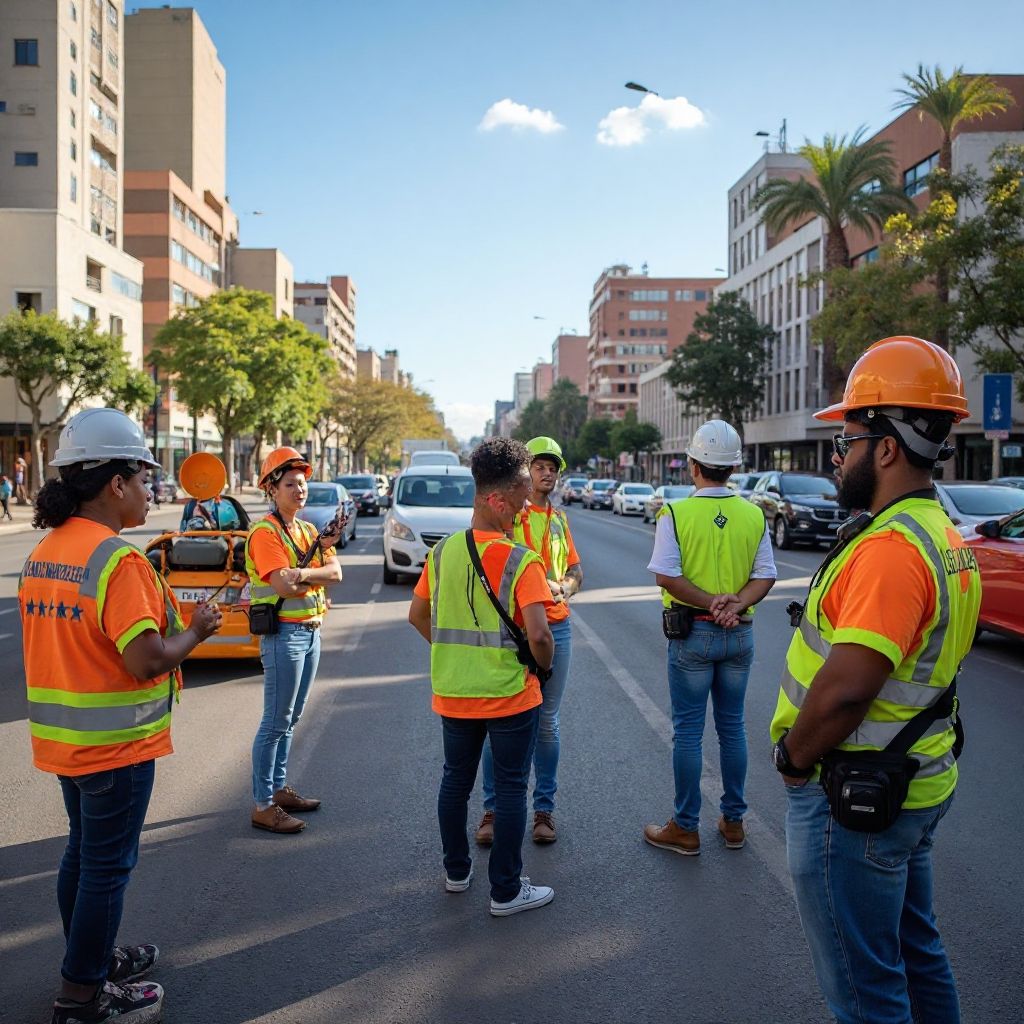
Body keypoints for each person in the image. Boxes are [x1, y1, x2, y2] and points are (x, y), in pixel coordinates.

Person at [769, 336, 981, 1023]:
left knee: (866, 992)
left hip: (857, 798)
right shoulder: (941, 534)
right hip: (915, 784)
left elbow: (849, 688)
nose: (837, 456)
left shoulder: (891, 550)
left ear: (887, 447)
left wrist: (793, 759)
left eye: (847, 440)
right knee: (917, 955)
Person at [20, 408, 222, 1024]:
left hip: (67, 745)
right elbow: (145, 660)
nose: (149, 491)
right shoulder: (118, 562)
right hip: (117, 747)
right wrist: (195, 631)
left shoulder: (46, 552)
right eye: (143, 479)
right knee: (106, 868)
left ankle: (92, 962)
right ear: (115, 483)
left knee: (82, 857)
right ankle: (82, 995)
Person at [407, 437, 556, 917]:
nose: (523, 506)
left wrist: (453, 656)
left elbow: (416, 615)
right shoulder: (521, 560)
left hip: (454, 694)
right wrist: (542, 667)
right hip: (510, 696)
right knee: (512, 788)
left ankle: (456, 872)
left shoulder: (443, 553)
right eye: (518, 496)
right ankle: (507, 891)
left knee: (455, 781)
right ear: (495, 499)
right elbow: (540, 636)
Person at [644, 419, 777, 856]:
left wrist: (709, 603)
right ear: (735, 466)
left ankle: (685, 827)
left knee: (687, 733)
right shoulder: (754, 513)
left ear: (692, 465)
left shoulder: (676, 513)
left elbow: (667, 575)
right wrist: (735, 604)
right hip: (739, 634)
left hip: (693, 634)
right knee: (733, 729)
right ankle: (733, 821)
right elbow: (765, 575)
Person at [475, 435, 582, 846]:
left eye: (553, 467)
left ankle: (544, 812)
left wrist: (567, 586)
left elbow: (576, 568)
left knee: (547, 723)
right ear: (526, 471)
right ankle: (492, 811)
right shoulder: (512, 515)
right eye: (540, 465)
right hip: (514, 627)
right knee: (500, 720)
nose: (548, 472)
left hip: (556, 625)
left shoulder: (558, 520)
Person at [246, 446, 344, 834]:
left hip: (311, 631)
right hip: (283, 635)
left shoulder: (307, 531)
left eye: (303, 483)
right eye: (291, 484)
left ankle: (279, 788)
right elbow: (279, 581)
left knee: (293, 717)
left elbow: (335, 573)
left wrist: (302, 575)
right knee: (275, 721)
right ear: (272, 488)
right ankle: (262, 803)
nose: (300, 490)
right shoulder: (264, 532)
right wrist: (307, 573)